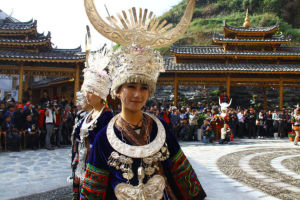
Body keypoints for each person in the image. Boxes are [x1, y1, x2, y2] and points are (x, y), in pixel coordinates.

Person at [81, 1, 206, 198]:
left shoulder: (161, 130)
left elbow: (184, 177)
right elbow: (92, 192)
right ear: (118, 91)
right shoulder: (104, 138)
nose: (138, 94)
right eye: (131, 87)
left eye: (144, 88)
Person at [72, 36, 114, 200]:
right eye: (86, 91)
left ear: (100, 93)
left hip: (96, 167)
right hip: (82, 163)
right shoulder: (89, 115)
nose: (87, 96)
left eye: (90, 91)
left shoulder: (107, 116)